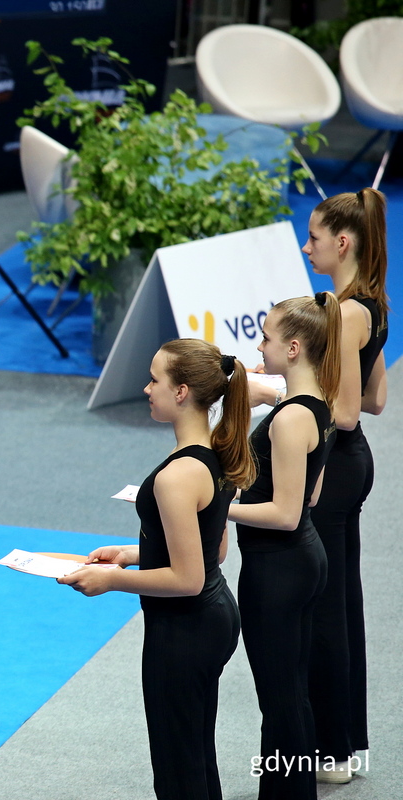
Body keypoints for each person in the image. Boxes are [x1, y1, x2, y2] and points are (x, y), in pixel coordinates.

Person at [59, 340, 255, 799]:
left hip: (184, 629)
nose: (147, 389)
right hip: (213, 615)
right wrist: (130, 555)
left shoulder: (176, 476)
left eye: (155, 380)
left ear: (183, 392)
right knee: (195, 753)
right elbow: (214, 550)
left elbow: (185, 579)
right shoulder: (217, 452)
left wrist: (111, 580)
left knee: (177, 767)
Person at [228, 293, 342, 799]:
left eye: (267, 338)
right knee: (290, 693)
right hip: (299, 559)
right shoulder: (317, 405)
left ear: (293, 348)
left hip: (278, 568)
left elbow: (286, 512)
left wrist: (216, 506)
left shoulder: (292, 418)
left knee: (279, 698)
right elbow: (311, 492)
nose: (260, 345)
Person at [302, 189, 388, 784]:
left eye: (313, 237)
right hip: (354, 464)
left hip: (336, 464)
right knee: (341, 601)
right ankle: (345, 744)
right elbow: (380, 397)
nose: (306, 247)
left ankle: (330, 752)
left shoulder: (343, 310)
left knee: (323, 605)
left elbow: (351, 410)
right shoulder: (372, 304)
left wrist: (284, 395)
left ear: (343, 241)